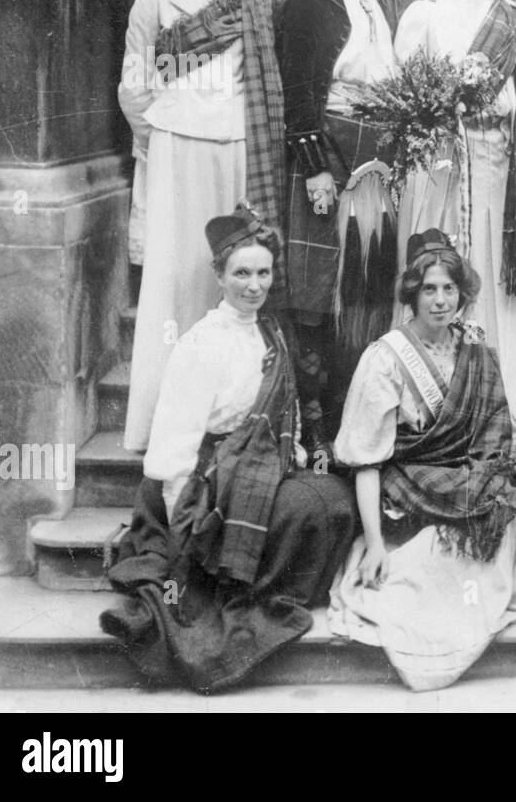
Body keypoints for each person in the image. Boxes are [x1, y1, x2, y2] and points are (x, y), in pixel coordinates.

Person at [100, 209, 356, 692]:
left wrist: (294, 460)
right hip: (208, 478)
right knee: (302, 508)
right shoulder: (201, 345)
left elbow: (287, 417)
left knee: (333, 497)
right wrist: (184, 528)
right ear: (219, 275)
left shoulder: (270, 332)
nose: (254, 285)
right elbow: (174, 443)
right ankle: (236, 582)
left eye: (263, 273)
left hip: (262, 466)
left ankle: (278, 586)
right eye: (241, 273)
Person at [327, 230, 516, 691]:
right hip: (408, 480)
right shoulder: (385, 358)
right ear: (411, 295)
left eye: (449, 289)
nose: (440, 301)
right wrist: (375, 543)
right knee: (439, 555)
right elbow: (366, 460)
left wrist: (485, 479)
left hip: (467, 478)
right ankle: (438, 637)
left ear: (462, 293)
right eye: (429, 290)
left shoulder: (475, 352)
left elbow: (495, 432)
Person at [118, 0, 287, 453]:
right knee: (176, 277)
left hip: (238, 146)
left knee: (232, 273)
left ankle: (233, 417)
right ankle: (164, 425)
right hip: (176, 147)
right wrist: (158, 140)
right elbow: (135, 84)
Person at [393, 0, 516, 419]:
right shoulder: (426, 15)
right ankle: (434, 398)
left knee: (495, 269)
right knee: (444, 263)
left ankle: (504, 397)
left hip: (498, 164)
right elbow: (406, 99)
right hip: (441, 166)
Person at [279, 0, 401, 455]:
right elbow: (300, 89)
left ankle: (362, 429)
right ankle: (315, 431)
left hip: (377, 153)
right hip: (330, 149)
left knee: (364, 289)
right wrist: (314, 166)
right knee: (319, 291)